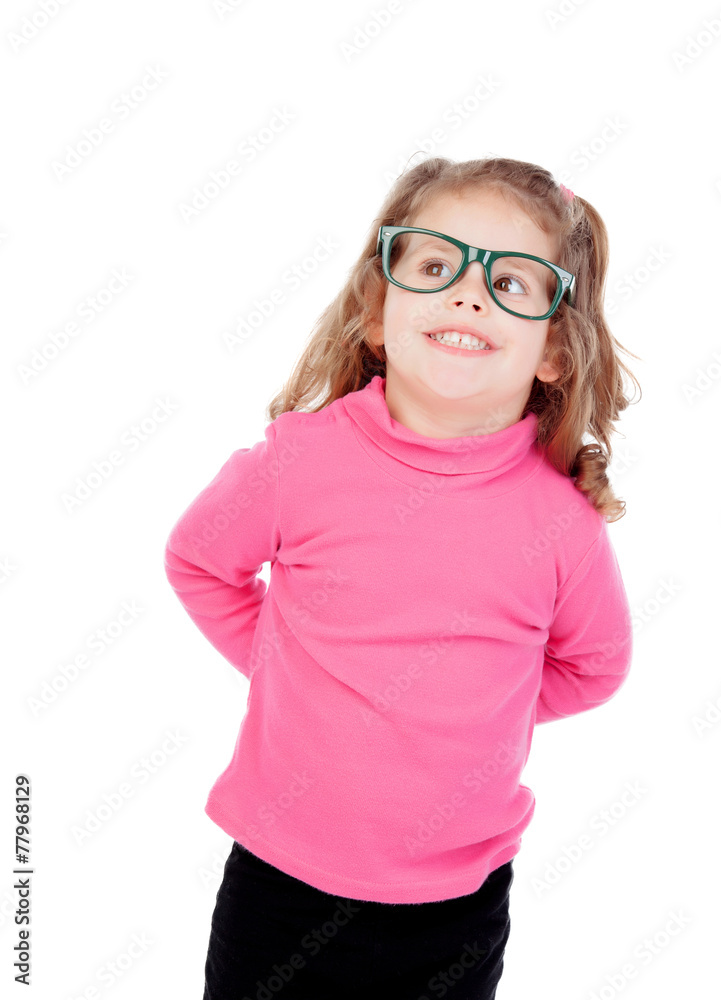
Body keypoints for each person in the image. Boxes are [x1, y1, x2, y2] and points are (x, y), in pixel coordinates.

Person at [163, 154, 642, 1000]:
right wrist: (289, 665)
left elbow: (593, 665)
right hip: (279, 881)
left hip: (452, 908)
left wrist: (474, 706)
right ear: (377, 315)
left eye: (512, 284)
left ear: (555, 354)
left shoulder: (558, 524)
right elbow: (201, 563)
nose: (466, 294)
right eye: (434, 266)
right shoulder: (299, 462)